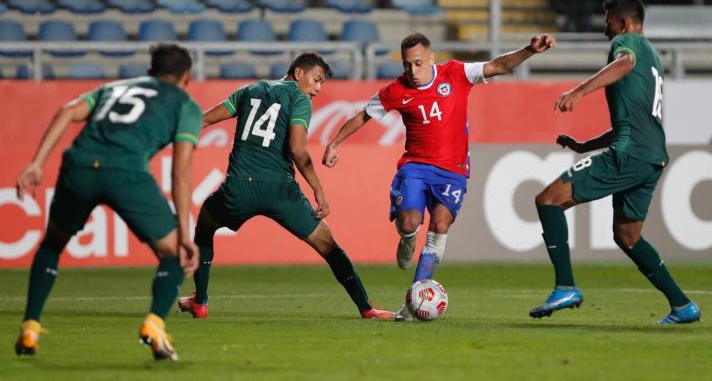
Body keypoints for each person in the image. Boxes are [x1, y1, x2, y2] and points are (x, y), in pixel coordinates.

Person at [322, 33, 556, 321]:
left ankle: (413, 302)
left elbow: (498, 66)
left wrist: (530, 51)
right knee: (409, 222)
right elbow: (363, 116)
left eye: (418, 63)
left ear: (432, 58)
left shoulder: (456, 73)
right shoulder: (396, 90)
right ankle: (407, 240)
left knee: (441, 224)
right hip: (416, 166)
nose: (412, 71)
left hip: (453, 170)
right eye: (407, 65)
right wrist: (335, 143)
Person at [14, 44, 202, 360]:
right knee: (174, 253)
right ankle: (154, 324)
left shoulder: (114, 88)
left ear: (150, 71)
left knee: (51, 245)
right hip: (127, 172)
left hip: (79, 167)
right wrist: (185, 232)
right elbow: (179, 171)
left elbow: (66, 112)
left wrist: (36, 164)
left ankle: (30, 327)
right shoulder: (186, 105)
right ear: (187, 77)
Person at [178, 52, 393, 320]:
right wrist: (318, 189)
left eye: (322, 83)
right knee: (328, 245)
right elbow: (298, 150)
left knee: (206, 226)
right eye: (316, 80)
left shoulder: (250, 90)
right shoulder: (298, 99)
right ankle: (366, 308)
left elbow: (206, 119)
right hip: (280, 191)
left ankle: (200, 302)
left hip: (238, 188)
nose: (317, 88)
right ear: (298, 73)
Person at [529, 0, 701, 325]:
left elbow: (624, 64)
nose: (606, 29)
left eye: (608, 22)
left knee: (548, 200)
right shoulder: (654, 55)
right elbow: (635, 119)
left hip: (629, 154)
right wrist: (586, 146)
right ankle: (682, 306)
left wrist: (579, 90)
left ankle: (565, 286)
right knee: (628, 235)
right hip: (651, 157)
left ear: (622, 22)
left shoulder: (626, 44)